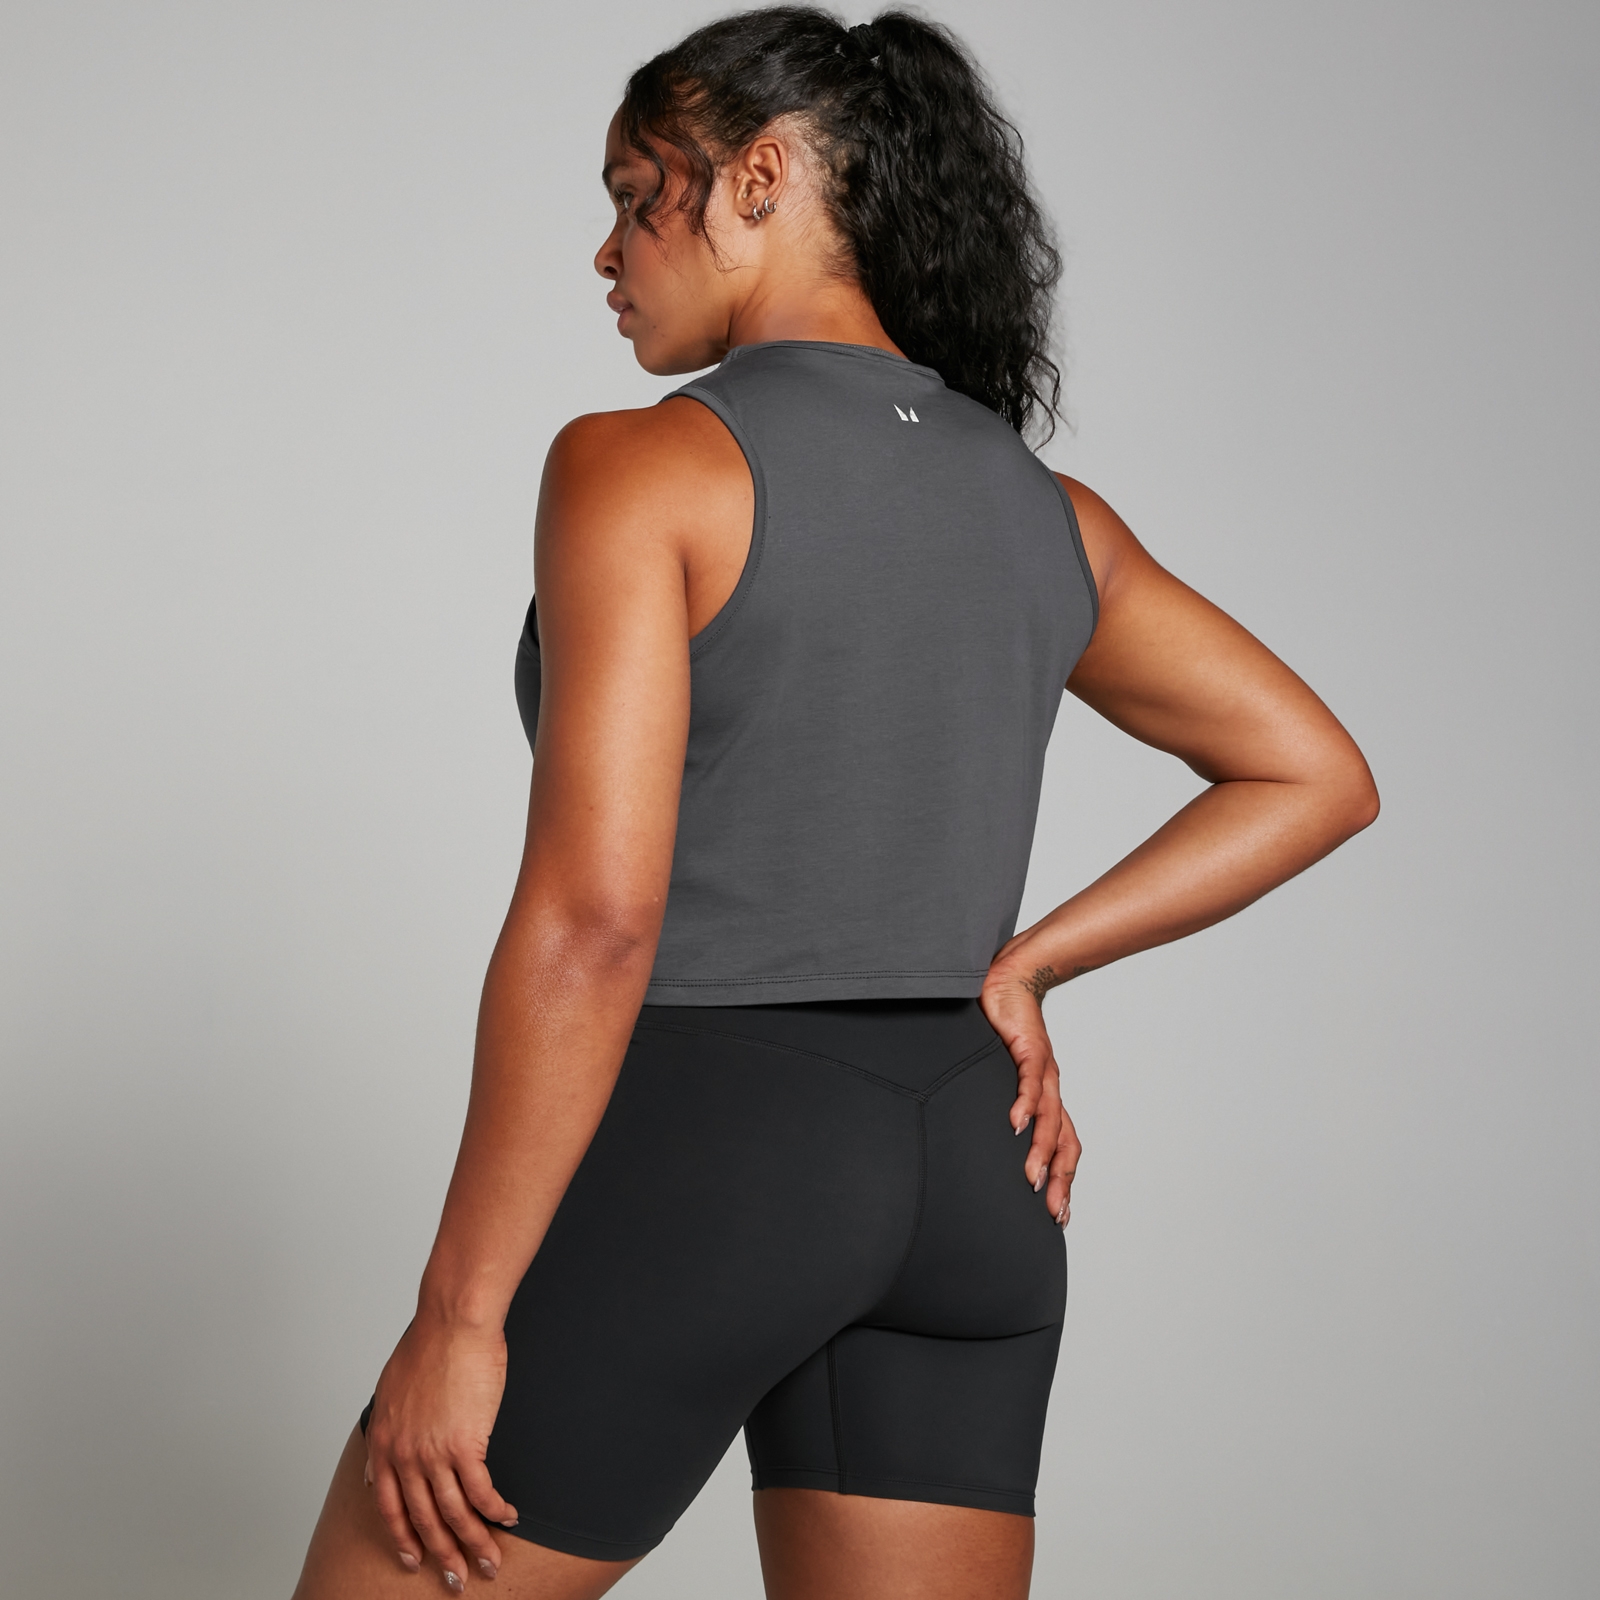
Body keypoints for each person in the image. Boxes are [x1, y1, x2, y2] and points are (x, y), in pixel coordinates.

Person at [291, 7, 1378, 1597]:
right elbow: (1315, 772)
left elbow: (597, 923)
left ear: (761, 177)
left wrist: (458, 1319)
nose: (606, 252)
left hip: (717, 1153)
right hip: (974, 1173)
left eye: (635, 195)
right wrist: (1027, 966)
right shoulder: (1046, 509)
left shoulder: (638, 468)